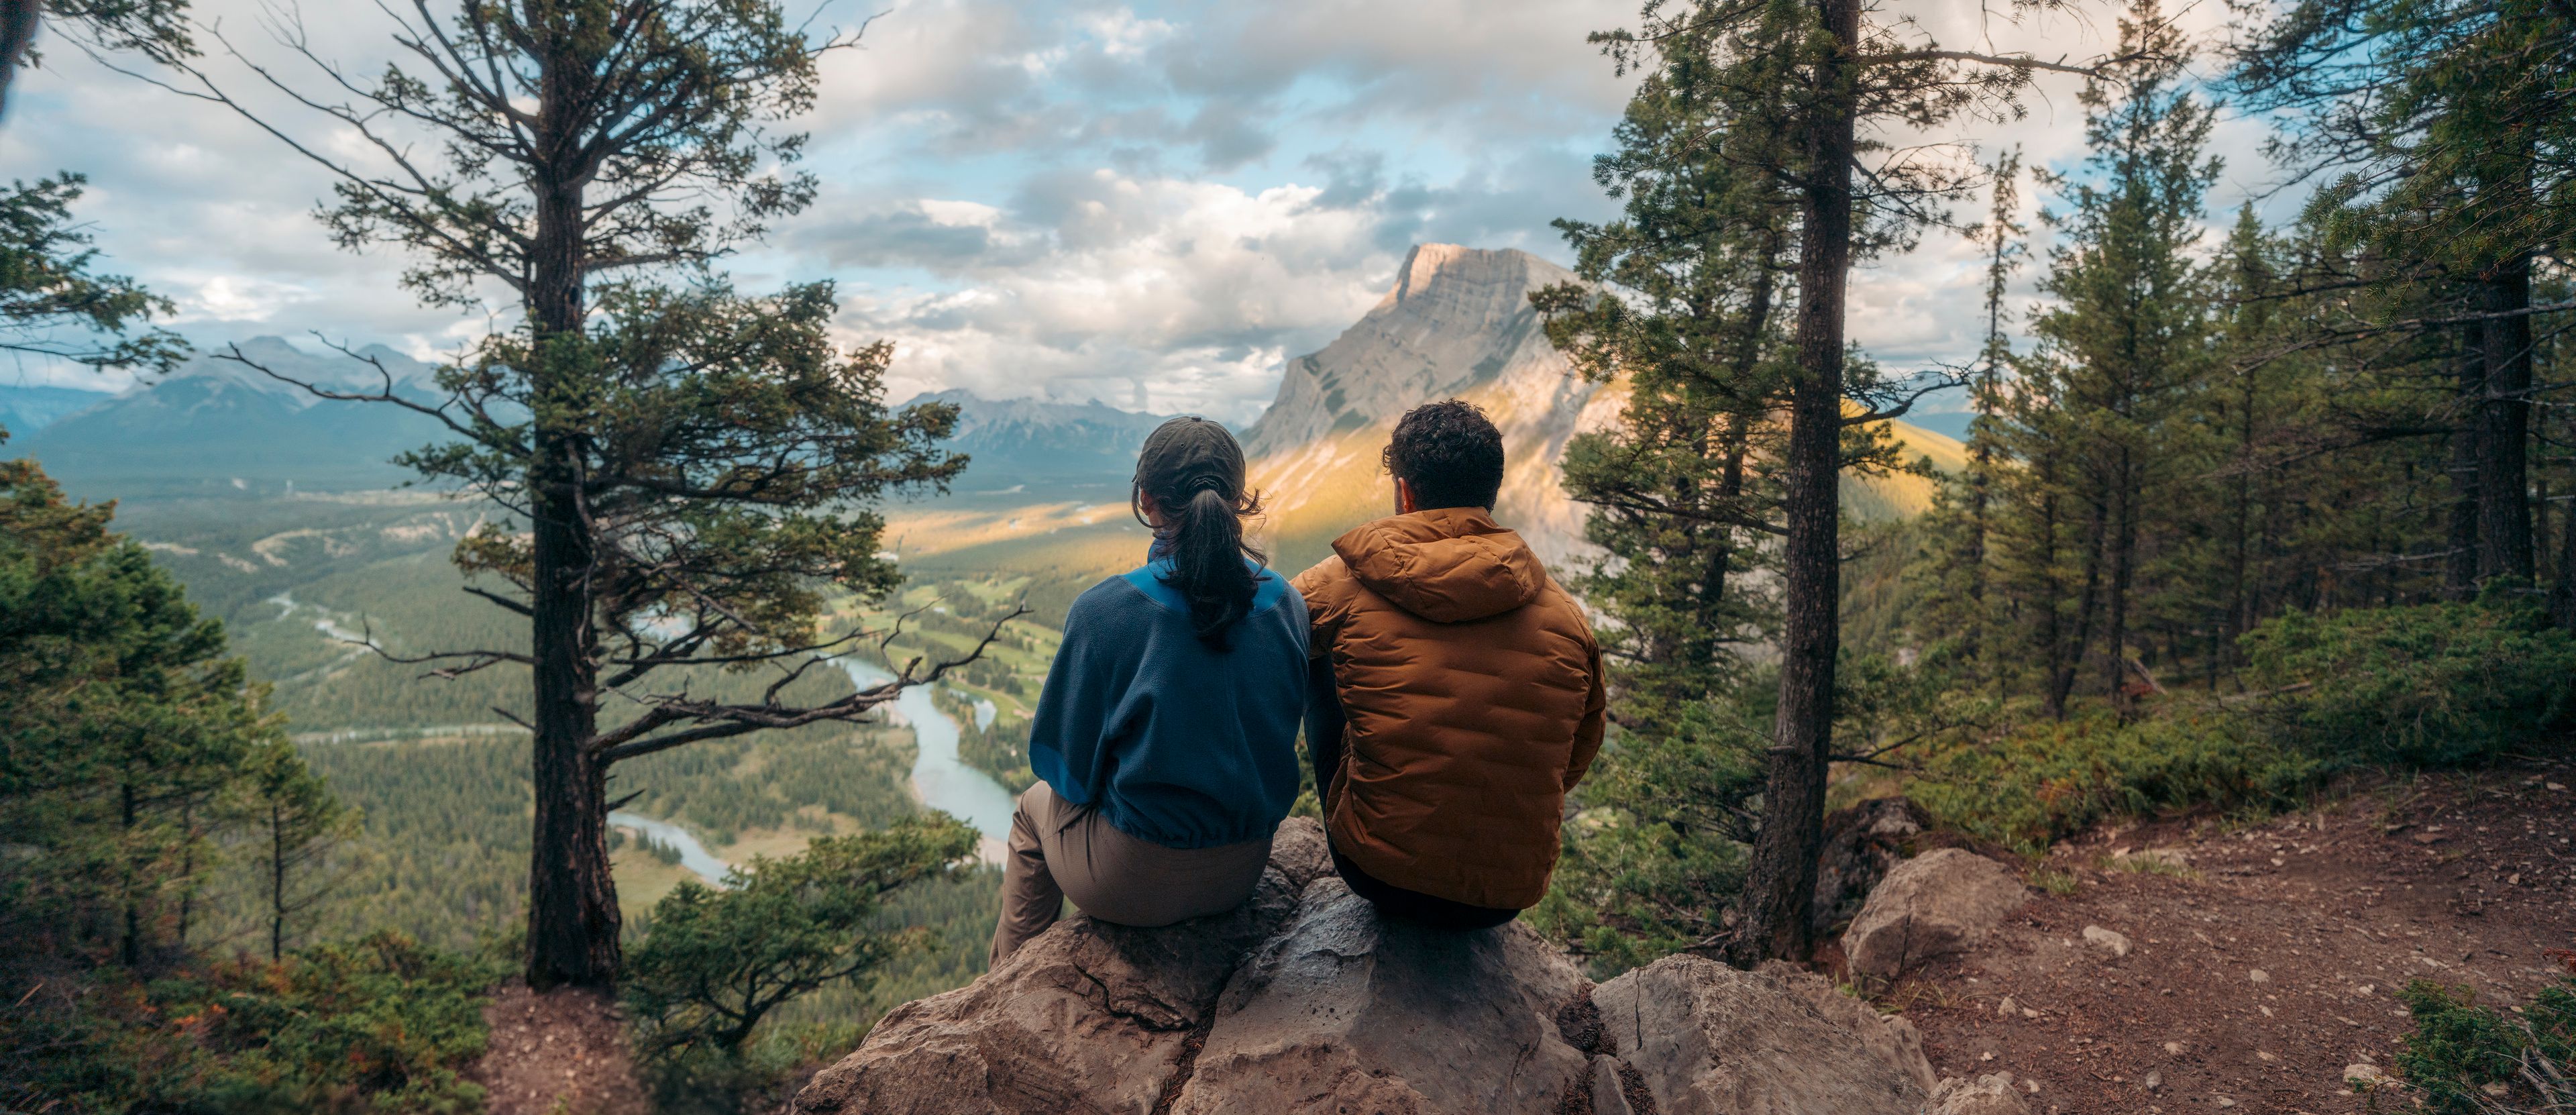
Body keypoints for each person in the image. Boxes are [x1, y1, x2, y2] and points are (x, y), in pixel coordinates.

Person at [988, 417, 1307, 966]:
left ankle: (1004, 987)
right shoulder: (1286, 603)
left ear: (1147, 500)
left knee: (1030, 810)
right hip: (1244, 870)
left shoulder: (1107, 612)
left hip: (1133, 881)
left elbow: (1064, 768)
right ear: (1238, 501)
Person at [1292, 399, 1605, 929]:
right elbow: (1578, 751)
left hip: (1376, 871)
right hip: (1504, 896)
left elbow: (1263, 632)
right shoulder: (1566, 617)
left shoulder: (1344, 580)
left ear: (1406, 492)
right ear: (1491, 495)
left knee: (1303, 642)